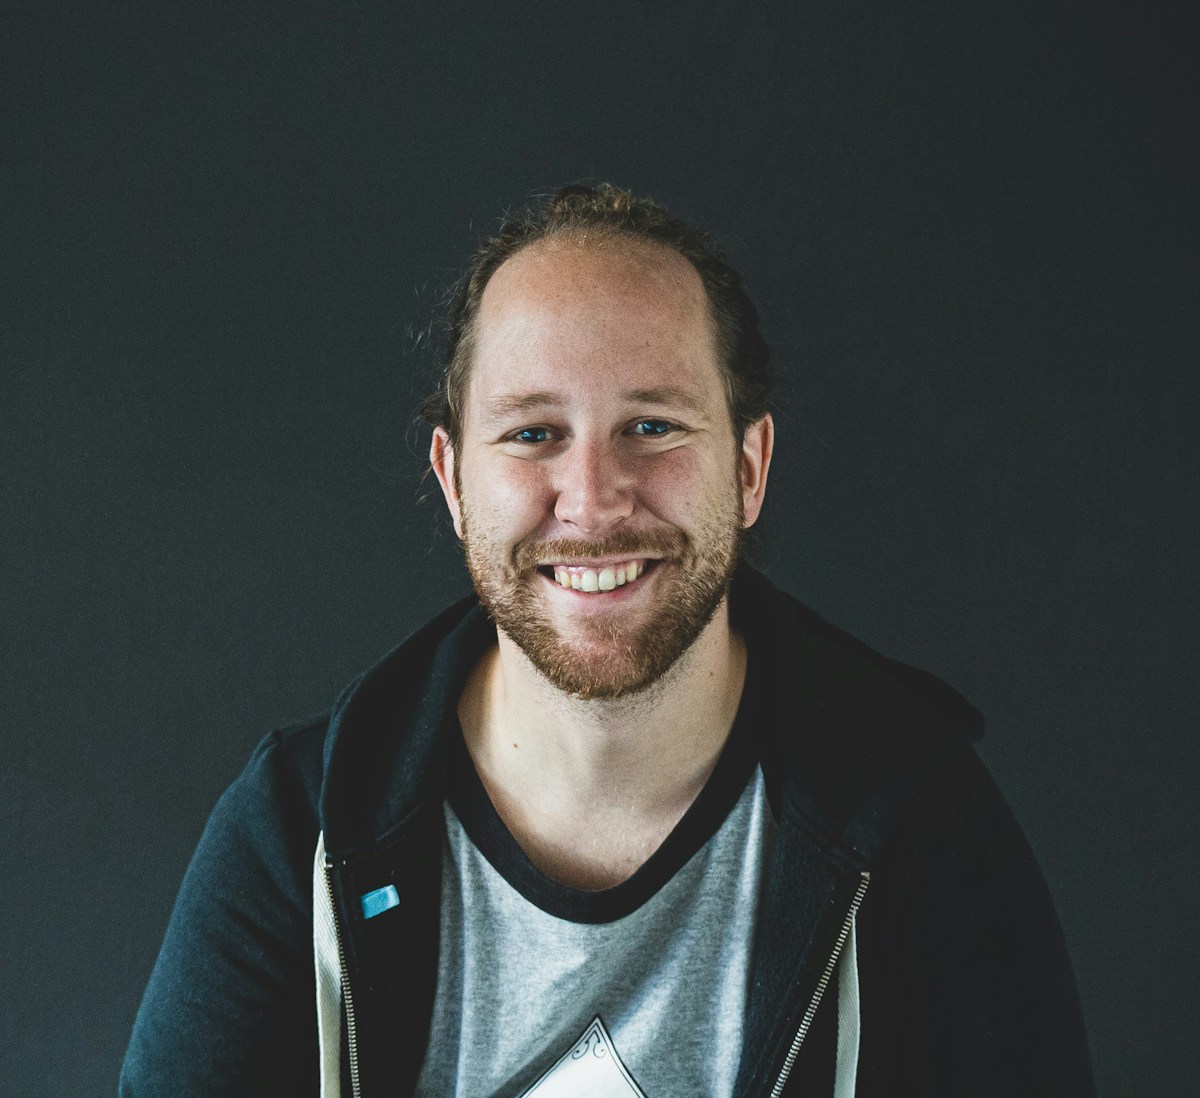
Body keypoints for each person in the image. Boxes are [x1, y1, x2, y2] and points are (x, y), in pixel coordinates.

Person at [120, 183, 1094, 1097]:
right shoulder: (302, 835)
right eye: (533, 433)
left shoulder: (917, 821)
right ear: (454, 482)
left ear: (748, 467)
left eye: (653, 426)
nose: (592, 502)